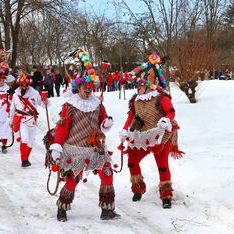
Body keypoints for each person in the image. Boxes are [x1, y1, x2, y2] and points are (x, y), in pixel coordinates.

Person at [49, 50, 117, 221]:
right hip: (76, 148)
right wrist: (57, 147)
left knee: (107, 172)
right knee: (73, 179)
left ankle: (107, 210)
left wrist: (106, 124)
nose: (88, 90)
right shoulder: (70, 106)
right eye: (85, 87)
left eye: (90, 87)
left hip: (96, 148)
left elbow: (103, 122)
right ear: (78, 87)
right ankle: (62, 207)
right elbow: (62, 129)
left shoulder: (97, 104)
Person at [119, 54, 184, 209]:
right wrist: (124, 130)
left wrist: (166, 120)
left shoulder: (161, 97)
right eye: (137, 85)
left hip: (162, 136)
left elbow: (171, 112)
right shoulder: (136, 100)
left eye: (141, 85)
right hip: (143, 136)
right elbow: (131, 116)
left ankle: (166, 195)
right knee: (132, 161)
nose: (138, 87)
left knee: (162, 165)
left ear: (150, 84)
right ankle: (138, 188)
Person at [10, 73, 48, 167]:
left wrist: (45, 101)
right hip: (22, 119)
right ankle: (23, 160)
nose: (23, 87)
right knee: (25, 138)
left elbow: (41, 103)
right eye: (22, 85)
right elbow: (12, 108)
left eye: (25, 85)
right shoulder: (16, 95)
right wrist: (11, 120)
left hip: (32, 119)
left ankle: (26, 158)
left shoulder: (34, 93)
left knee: (31, 141)